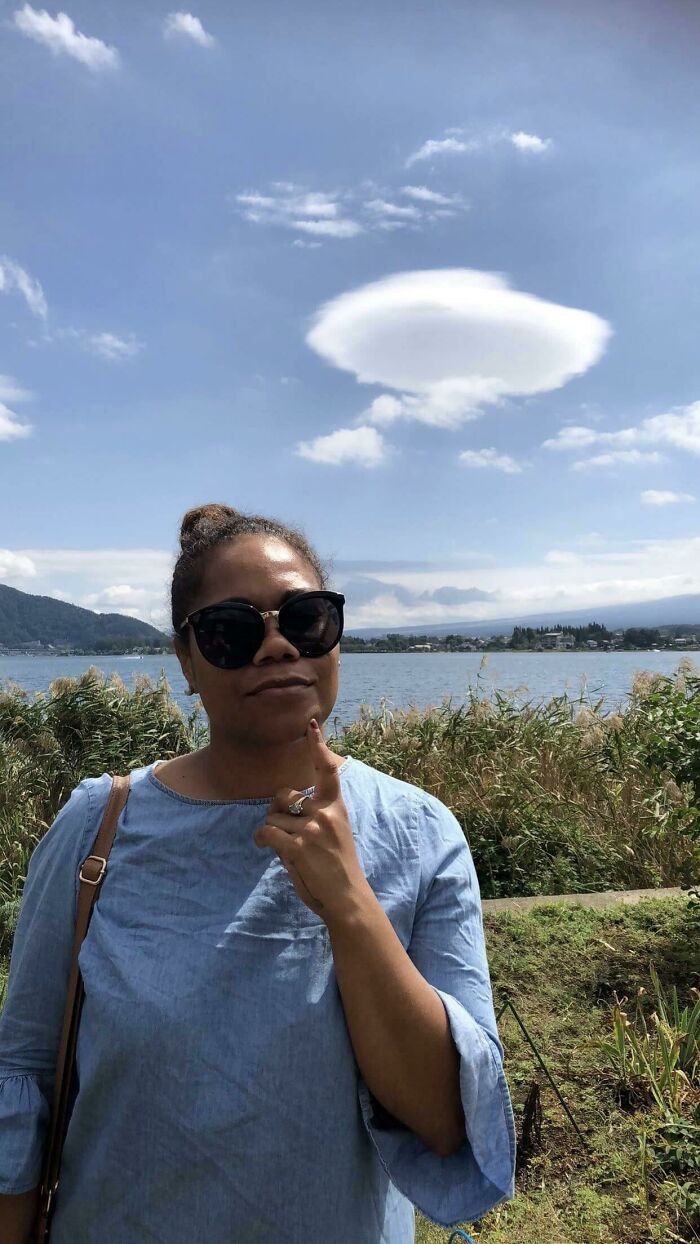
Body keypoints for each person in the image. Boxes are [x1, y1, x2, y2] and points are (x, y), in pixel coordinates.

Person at [0, 503, 516, 1243]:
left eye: (305, 619)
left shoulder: (418, 834)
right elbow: (23, 1077)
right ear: (185, 662)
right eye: (232, 632)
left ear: (336, 639)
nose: (276, 647)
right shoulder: (98, 827)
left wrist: (350, 906)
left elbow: (443, 1119)